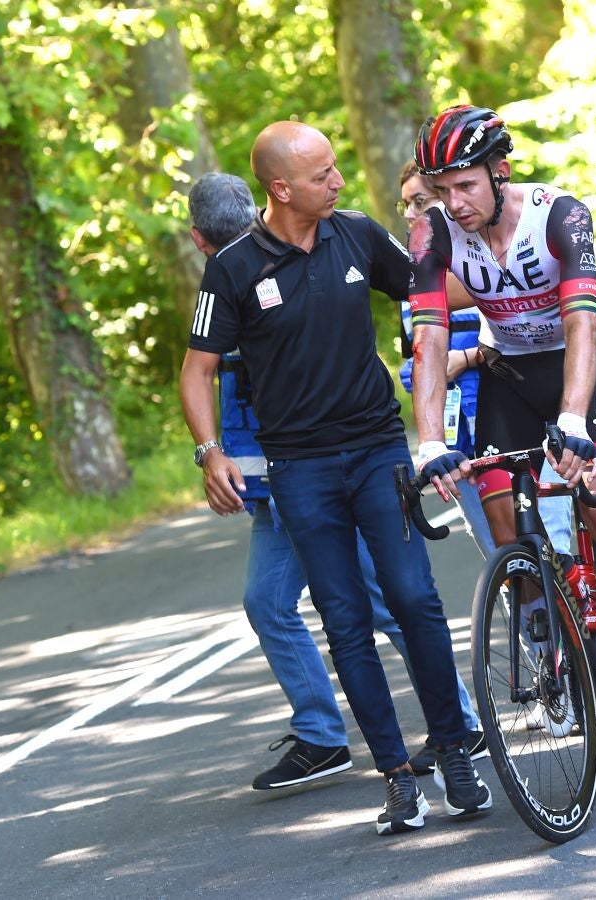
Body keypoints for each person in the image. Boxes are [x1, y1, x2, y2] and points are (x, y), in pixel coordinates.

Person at [180, 123, 492, 836]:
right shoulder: (232, 268)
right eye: (323, 173)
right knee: (346, 621)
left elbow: (434, 292)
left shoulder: (356, 235)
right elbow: (197, 368)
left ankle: (455, 750)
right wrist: (211, 451)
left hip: (377, 450)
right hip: (301, 472)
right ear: (281, 188)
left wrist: (518, 300)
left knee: (414, 599)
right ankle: (397, 777)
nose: (339, 181)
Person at [408, 105, 596, 754]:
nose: (454, 202)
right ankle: (550, 646)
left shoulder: (560, 214)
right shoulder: (433, 234)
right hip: (510, 373)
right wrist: (430, 442)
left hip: (577, 365)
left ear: (500, 172)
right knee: (507, 524)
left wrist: (573, 418)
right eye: (442, 190)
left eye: (466, 185)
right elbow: (429, 337)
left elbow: (585, 321)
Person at [396, 161, 574, 564]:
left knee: (562, 529)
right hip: (467, 419)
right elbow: (426, 343)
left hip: (511, 385)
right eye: (405, 204)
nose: (412, 214)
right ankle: (533, 620)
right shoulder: (421, 261)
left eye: (420, 200)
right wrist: (429, 439)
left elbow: (523, 325)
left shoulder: (476, 254)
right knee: (502, 549)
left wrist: (464, 357)